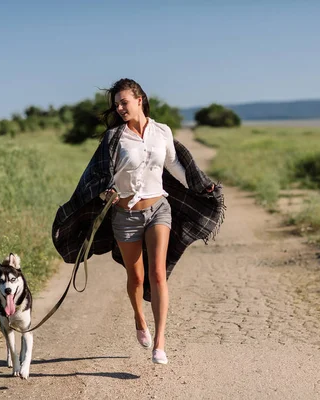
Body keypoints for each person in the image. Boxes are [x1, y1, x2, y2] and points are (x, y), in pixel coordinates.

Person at [51, 78, 225, 365]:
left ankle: (160, 343)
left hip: (159, 208)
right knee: (136, 277)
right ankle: (139, 318)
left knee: (158, 274)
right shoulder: (114, 138)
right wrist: (106, 191)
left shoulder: (162, 132)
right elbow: (100, 174)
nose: (119, 108)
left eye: (124, 102)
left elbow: (173, 164)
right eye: (116, 104)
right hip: (125, 215)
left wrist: (198, 186)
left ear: (140, 99)